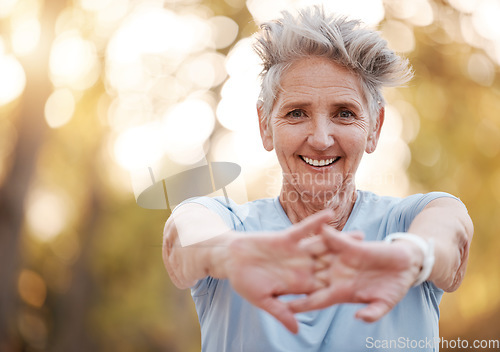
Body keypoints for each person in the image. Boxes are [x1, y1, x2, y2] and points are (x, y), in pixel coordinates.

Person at [162, 6, 473, 352]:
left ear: (375, 128)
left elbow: (448, 234)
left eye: (344, 113)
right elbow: (185, 236)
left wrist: (413, 255)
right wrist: (232, 255)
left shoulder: (410, 220)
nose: (321, 138)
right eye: (297, 113)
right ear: (265, 125)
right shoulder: (229, 223)